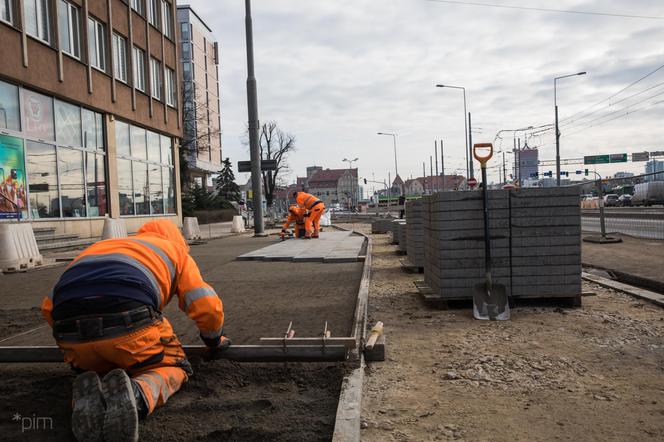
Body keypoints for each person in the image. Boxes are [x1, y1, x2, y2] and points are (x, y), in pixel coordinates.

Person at [41, 220, 230, 442]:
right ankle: (138, 395)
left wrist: (76, 344)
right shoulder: (175, 252)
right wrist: (214, 341)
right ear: (177, 240)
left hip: (69, 330)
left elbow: (48, 308)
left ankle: (91, 389)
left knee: (104, 362)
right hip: (129, 319)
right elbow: (205, 305)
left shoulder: (102, 247)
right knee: (175, 366)